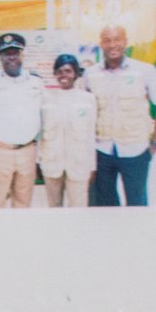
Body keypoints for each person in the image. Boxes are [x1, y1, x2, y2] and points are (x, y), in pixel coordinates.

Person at [84, 24, 156, 207]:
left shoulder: (145, 71)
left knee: (136, 204)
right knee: (105, 207)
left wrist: (155, 144)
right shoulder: (90, 74)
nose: (112, 45)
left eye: (117, 39)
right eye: (107, 40)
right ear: (101, 44)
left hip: (135, 150)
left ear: (126, 42)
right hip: (101, 151)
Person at [0, 32, 44, 210]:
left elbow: (44, 116)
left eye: (15, 53)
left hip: (27, 151)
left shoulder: (36, 82)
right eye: (6, 54)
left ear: (22, 54)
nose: (11, 57)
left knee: (23, 204)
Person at [40, 53, 97, 208]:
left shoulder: (88, 99)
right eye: (59, 71)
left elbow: (91, 135)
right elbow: (41, 135)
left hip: (78, 163)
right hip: (52, 163)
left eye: (68, 71)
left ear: (76, 73)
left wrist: (92, 167)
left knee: (78, 208)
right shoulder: (46, 99)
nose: (63, 75)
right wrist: (39, 162)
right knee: (54, 209)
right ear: (54, 74)